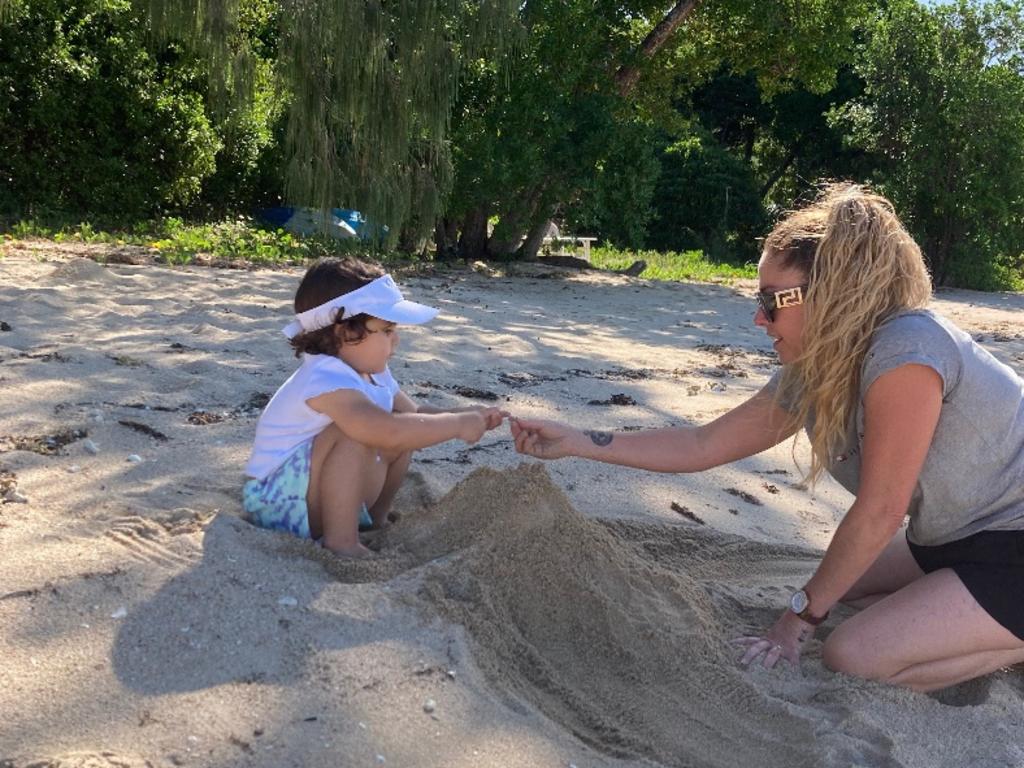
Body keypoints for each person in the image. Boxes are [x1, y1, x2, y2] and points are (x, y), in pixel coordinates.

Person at [510, 184, 1024, 692]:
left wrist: (795, 623)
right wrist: (578, 439)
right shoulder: (820, 369)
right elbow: (702, 445)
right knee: (851, 597)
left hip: (1012, 541)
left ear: (832, 296)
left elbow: (879, 513)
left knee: (852, 655)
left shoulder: (907, 351)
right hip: (955, 536)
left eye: (772, 300)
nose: (758, 317)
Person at [244, 257, 505, 558]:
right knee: (360, 432)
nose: (396, 340)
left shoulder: (374, 372)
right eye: (386, 330)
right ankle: (341, 540)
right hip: (279, 502)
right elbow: (385, 431)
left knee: (403, 430)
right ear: (345, 332)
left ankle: (376, 520)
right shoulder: (325, 375)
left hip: (314, 494)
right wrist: (458, 427)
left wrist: (465, 416)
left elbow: (414, 417)